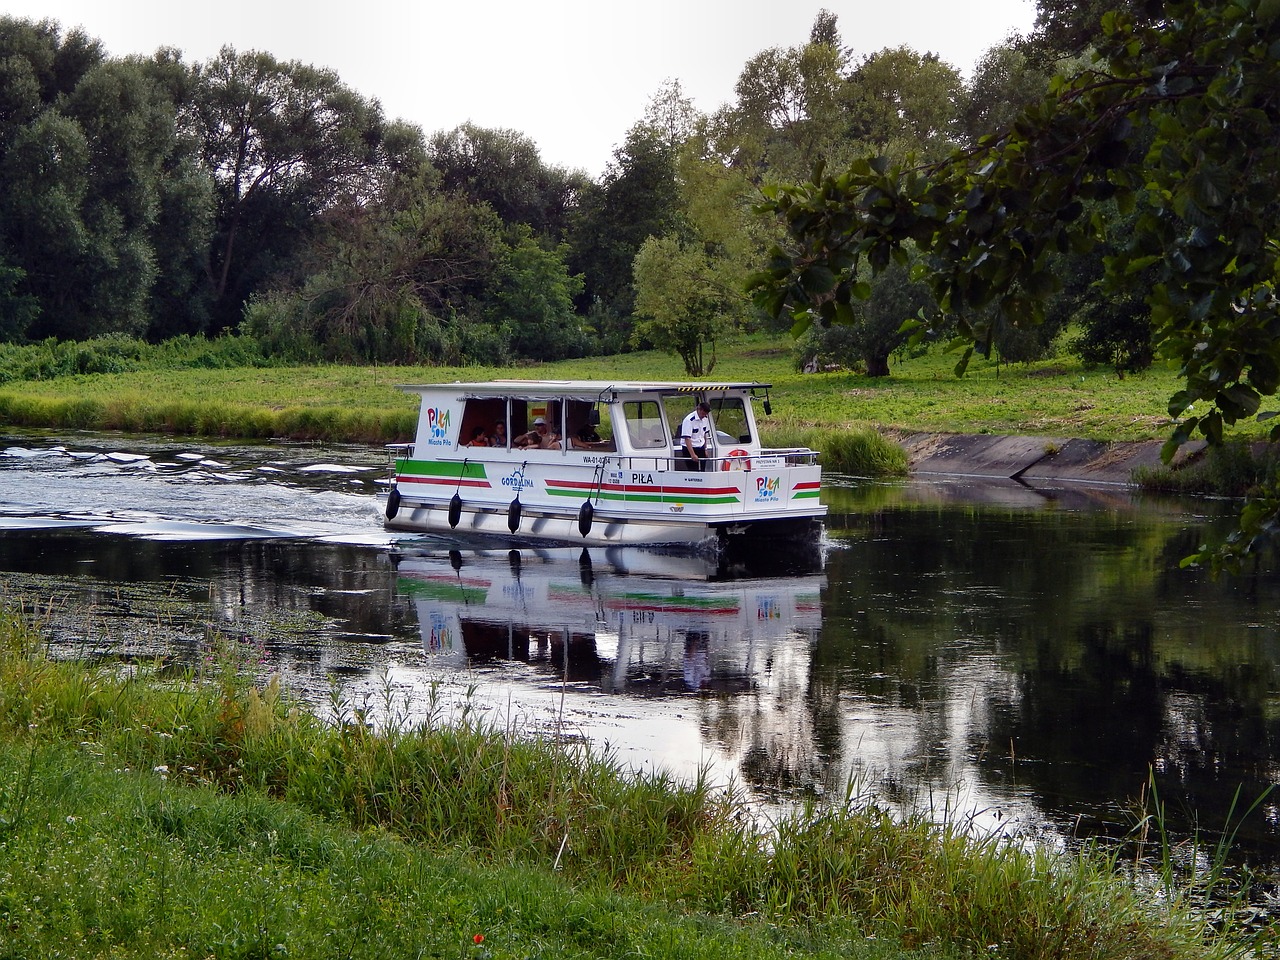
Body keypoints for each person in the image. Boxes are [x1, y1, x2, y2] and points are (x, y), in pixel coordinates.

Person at [677, 402, 713, 471]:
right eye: (703, 413)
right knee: (693, 470)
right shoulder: (689, 420)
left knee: (702, 469)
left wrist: (705, 449)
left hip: (701, 446)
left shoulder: (705, 419)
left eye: (706, 414)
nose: (704, 416)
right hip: (690, 448)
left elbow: (704, 434)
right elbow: (687, 438)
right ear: (699, 410)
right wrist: (692, 454)